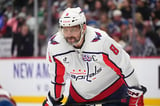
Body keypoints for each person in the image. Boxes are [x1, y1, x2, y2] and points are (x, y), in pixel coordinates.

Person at [43, 7, 146, 106]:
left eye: (73, 29)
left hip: (114, 93)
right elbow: (57, 77)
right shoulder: (55, 45)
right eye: (65, 30)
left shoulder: (101, 41)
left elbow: (124, 65)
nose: (69, 35)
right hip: (79, 97)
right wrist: (53, 98)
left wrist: (135, 91)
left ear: (83, 27)